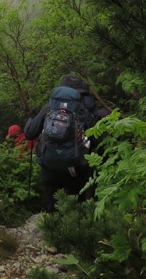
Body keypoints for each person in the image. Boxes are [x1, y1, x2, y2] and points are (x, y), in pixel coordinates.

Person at [23, 74, 100, 212]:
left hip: (49, 166)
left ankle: (52, 227)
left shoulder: (49, 108)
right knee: (77, 206)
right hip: (74, 169)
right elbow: (97, 138)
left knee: (52, 207)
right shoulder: (83, 109)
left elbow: (29, 134)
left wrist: (32, 117)